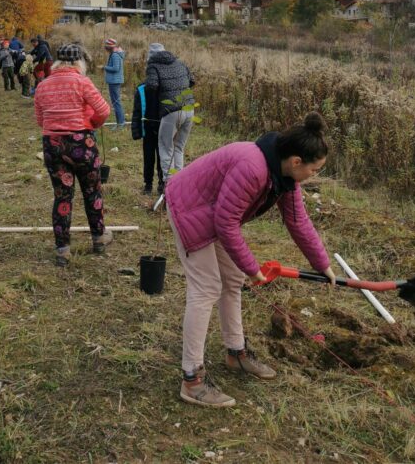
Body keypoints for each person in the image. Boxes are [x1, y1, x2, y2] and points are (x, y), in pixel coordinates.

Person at [166, 112, 336, 408]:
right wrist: (252, 268)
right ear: (296, 161)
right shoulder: (253, 168)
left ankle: (236, 353)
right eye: (316, 169)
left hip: (212, 212)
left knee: (231, 282)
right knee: (206, 288)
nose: (315, 176)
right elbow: (226, 222)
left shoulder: (283, 177)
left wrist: (323, 265)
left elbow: (299, 223)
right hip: (189, 209)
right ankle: (192, 379)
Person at [34, 43, 112, 266]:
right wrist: (92, 123)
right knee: (92, 192)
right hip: (81, 143)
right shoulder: (81, 82)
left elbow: (40, 120)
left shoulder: (43, 85)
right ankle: (98, 238)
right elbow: (104, 110)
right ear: (79, 62)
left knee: (62, 196)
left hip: (53, 145)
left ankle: (62, 249)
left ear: (58, 62)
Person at [145, 45, 194, 183]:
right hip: (189, 109)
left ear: (151, 56)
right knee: (179, 147)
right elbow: (192, 80)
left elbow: (151, 86)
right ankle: (180, 182)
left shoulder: (153, 66)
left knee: (166, 147)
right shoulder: (179, 62)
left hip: (171, 111)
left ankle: (169, 184)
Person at [131, 44, 163, 195]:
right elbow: (137, 111)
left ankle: (157, 184)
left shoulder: (144, 88)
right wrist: (137, 131)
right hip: (153, 125)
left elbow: (137, 111)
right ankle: (151, 184)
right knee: (155, 155)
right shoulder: (142, 89)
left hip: (160, 125)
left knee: (157, 155)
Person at [102, 38, 126, 128]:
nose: (105, 49)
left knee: (116, 102)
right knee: (116, 102)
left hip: (115, 81)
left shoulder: (115, 55)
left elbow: (116, 68)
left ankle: (120, 123)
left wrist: (105, 67)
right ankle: (120, 122)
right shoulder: (114, 54)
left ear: (109, 47)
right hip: (114, 81)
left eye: (106, 47)